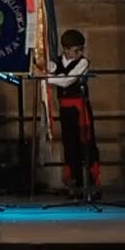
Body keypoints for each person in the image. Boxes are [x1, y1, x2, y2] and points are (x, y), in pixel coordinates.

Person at [44, 29, 100, 198]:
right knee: (70, 144)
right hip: (65, 109)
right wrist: (50, 73)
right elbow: (48, 70)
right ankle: (74, 183)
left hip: (80, 108)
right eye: (76, 50)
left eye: (81, 50)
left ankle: (92, 183)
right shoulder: (56, 62)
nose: (79, 53)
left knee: (87, 143)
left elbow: (67, 81)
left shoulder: (83, 63)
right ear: (66, 49)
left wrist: (47, 78)